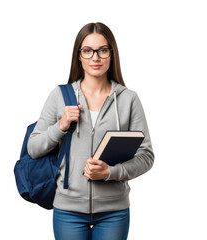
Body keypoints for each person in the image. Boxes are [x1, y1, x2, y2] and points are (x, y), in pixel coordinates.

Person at [27, 22, 154, 240]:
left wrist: (110, 173)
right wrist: (60, 126)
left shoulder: (129, 99)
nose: (95, 58)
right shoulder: (60, 96)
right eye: (87, 51)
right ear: (79, 56)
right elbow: (33, 148)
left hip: (114, 211)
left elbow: (146, 156)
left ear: (111, 54)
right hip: (68, 210)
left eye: (102, 50)